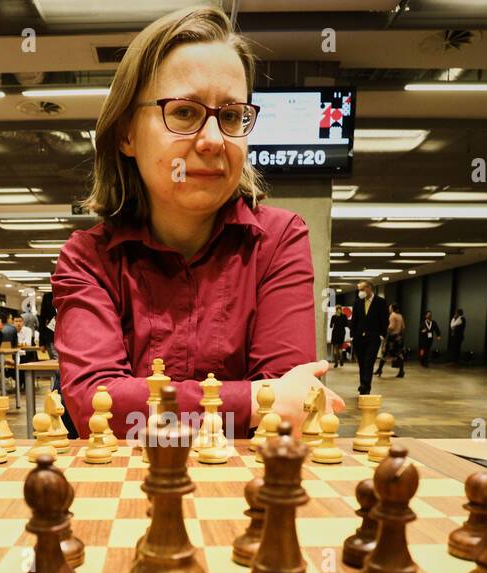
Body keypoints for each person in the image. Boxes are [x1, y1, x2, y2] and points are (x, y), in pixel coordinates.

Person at [50, 5, 340, 438]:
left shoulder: (279, 240)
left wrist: (150, 405)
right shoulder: (87, 259)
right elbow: (96, 407)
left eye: (230, 116)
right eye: (184, 112)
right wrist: (255, 402)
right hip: (122, 496)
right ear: (127, 133)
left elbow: (291, 413)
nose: (213, 140)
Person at [350, 280, 389, 395]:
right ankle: (363, 383)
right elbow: (354, 320)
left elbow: (384, 320)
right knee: (362, 363)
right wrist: (352, 335)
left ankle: (365, 386)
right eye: (359, 290)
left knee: (369, 362)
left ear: (369, 288)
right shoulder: (357, 302)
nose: (360, 292)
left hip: (373, 337)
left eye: (362, 289)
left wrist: (382, 334)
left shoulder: (381, 302)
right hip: (359, 338)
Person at [377, 303, 404, 378]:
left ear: (392, 309)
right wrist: (399, 336)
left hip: (392, 337)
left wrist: (386, 339)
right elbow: (403, 327)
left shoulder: (392, 315)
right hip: (398, 337)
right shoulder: (400, 316)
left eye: (390, 307)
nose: (389, 309)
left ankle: (379, 369)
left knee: (384, 353)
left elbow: (391, 327)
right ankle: (401, 371)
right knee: (399, 354)